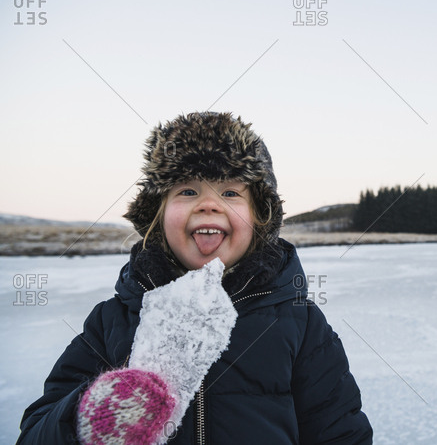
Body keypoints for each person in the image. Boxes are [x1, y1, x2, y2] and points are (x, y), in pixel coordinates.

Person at [17, 112, 373, 444]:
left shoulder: (299, 322)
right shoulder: (112, 320)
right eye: (187, 191)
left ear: (260, 218)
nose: (209, 204)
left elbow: (342, 433)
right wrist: (86, 416)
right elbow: (36, 430)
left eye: (231, 193)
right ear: (156, 213)